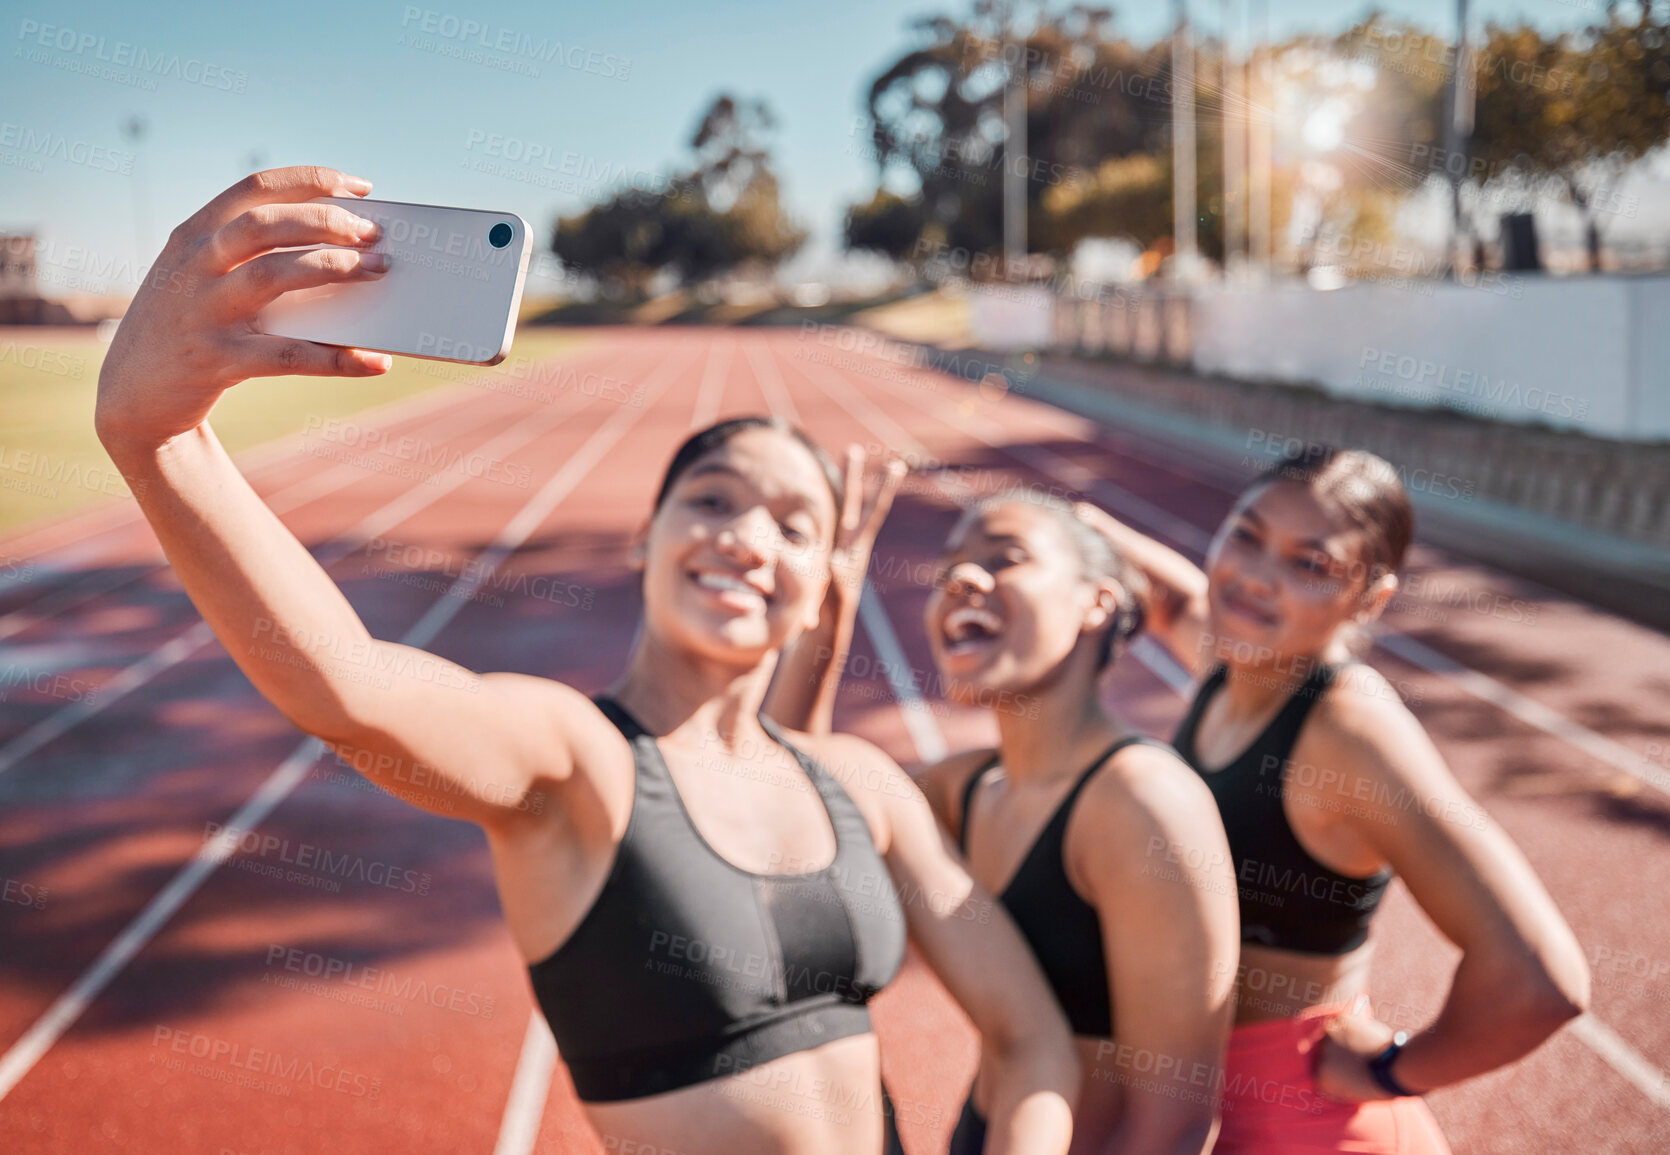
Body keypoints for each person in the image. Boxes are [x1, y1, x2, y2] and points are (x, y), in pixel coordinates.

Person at [94, 166, 1081, 1155]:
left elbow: (1032, 1038)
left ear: (827, 572)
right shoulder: (577, 765)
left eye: (793, 523)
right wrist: (159, 440)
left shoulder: (861, 785)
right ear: (645, 541)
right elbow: (347, 687)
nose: (746, 538)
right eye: (712, 500)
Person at [1077, 445, 1591, 1154]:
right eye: (1245, 535)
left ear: (1369, 598)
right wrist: (1061, 530)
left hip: (1300, 1120)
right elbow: (1173, 599)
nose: (1252, 577)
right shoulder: (1235, 658)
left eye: (1308, 564)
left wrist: (1391, 1066)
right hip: (1201, 1100)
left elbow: (1540, 980)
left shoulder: (1348, 728)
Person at [772, 491, 1241, 1154]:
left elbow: (1175, 1125)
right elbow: (788, 813)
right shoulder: (963, 787)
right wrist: (821, 628)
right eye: (951, 569)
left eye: (1004, 558)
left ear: (1095, 602)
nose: (963, 578)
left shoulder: (1142, 801)